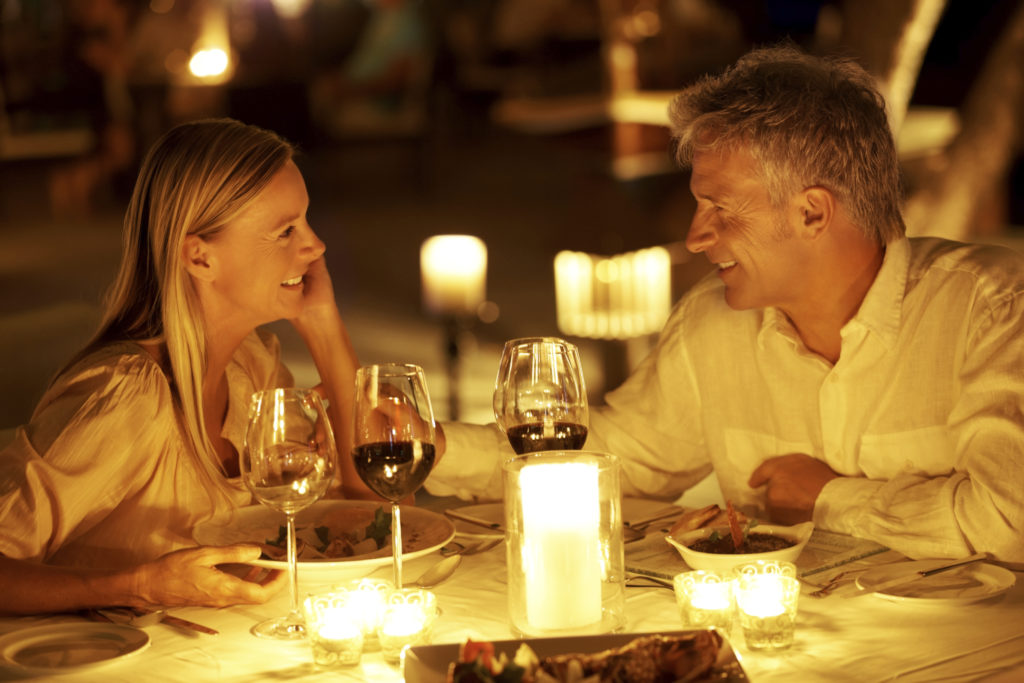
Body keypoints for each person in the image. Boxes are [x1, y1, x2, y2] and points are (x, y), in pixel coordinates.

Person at [426, 46, 1024, 566]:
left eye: (720, 208)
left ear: (812, 212)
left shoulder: (991, 311)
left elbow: (1010, 522)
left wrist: (830, 498)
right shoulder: (715, 321)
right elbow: (621, 456)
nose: (695, 237)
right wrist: (433, 445)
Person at [0, 118, 369, 616]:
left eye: (306, 220)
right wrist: (137, 586)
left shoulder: (253, 366)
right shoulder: (125, 396)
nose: (315, 245)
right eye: (286, 230)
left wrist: (324, 327)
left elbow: (371, 516)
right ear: (199, 257)